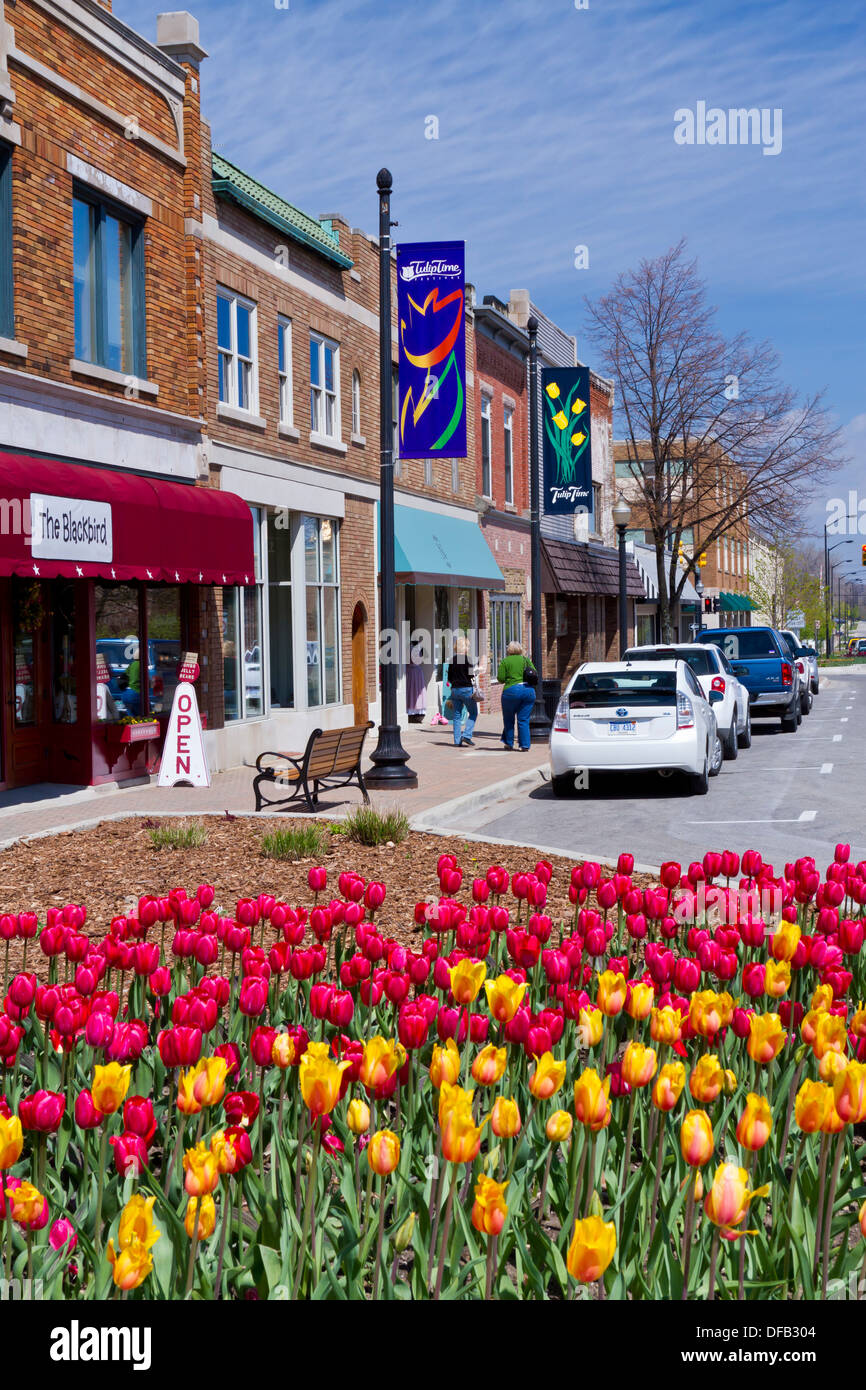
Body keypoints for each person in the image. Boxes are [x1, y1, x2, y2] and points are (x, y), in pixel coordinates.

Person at [497, 640, 536, 751]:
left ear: (509, 650)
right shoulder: (525, 660)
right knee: (523, 719)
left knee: (509, 719)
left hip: (511, 691)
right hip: (528, 691)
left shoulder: (505, 661)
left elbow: (500, 678)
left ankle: (509, 743)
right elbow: (534, 673)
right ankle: (524, 745)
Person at [444, 635, 478, 747]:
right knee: (473, 712)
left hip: (455, 690)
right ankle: (467, 735)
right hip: (466, 689)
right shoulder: (468, 659)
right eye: (467, 646)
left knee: (456, 716)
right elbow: (471, 675)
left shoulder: (451, 660)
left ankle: (457, 741)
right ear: (465, 647)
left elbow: (449, 678)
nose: (468, 648)